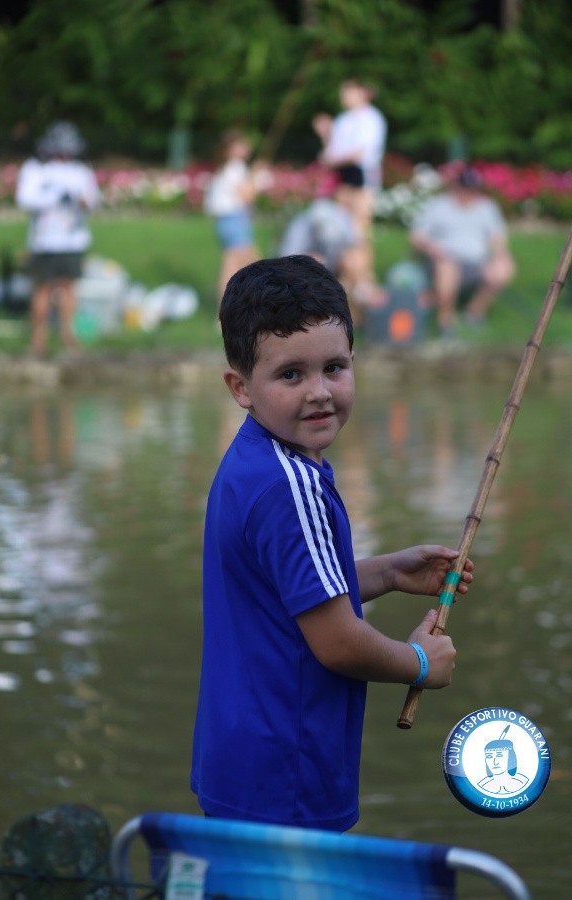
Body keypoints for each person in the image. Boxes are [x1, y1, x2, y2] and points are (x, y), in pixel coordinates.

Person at [191, 255, 474, 831]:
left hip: (239, 765)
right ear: (241, 387)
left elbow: (291, 594)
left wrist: (389, 572)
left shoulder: (256, 461)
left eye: (334, 368)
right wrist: (420, 663)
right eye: (291, 375)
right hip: (287, 778)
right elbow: (338, 643)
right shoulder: (290, 486)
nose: (319, 392)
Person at [15, 121, 101, 356]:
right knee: (41, 288)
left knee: (68, 288)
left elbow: (93, 200)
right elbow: (25, 199)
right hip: (44, 240)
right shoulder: (36, 169)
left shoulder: (81, 172)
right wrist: (53, 196)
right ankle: (38, 338)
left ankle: (67, 334)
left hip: (72, 240)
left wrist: (80, 201)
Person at [409, 166, 516, 338]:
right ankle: (445, 322)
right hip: (443, 260)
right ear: (456, 186)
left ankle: (474, 313)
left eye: (471, 189)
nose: (467, 193)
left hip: (477, 263)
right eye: (464, 188)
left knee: (503, 268)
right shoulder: (439, 205)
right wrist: (431, 247)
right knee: (447, 268)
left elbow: (497, 239)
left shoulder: (487, 207)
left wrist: (500, 256)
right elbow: (416, 237)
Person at [277, 196, 385, 324]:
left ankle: (361, 294)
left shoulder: (345, 225)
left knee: (355, 257)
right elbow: (287, 260)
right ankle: (358, 296)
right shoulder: (312, 223)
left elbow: (358, 251)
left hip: (335, 269)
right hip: (304, 269)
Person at [313, 78, 387, 242]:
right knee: (342, 224)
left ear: (362, 93)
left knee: (359, 225)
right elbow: (332, 151)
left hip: (363, 174)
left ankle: (361, 258)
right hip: (344, 174)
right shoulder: (343, 120)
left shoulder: (371, 118)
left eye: (348, 93)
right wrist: (325, 135)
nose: (344, 97)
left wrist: (332, 160)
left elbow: (358, 154)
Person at [204, 129, 264, 303]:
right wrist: (256, 175)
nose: (247, 147)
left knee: (240, 264)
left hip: (227, 221)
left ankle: (238, 306)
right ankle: (228, 308)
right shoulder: (236, 167)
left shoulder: (226, 168)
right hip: (234, 220)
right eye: (242, 144)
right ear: (231, 149)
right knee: (245, 266)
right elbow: (248, 196)